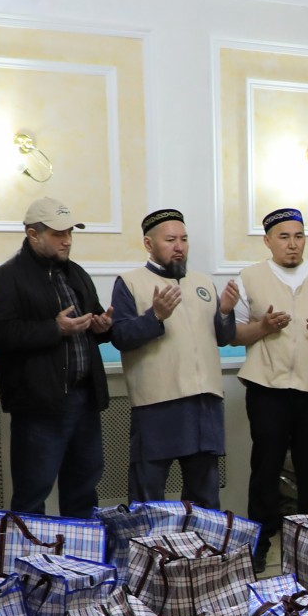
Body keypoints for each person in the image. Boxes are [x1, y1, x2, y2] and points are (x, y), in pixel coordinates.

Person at [236, 207, 308, 564]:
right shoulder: (249, 277)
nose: (292, 244)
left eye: (298, 236)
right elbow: (233, 333)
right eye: (284, 237)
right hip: (266, 387)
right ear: (268, 241)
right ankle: (261, 541)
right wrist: (264, 327)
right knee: (266, 466)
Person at [0, 196, 112, 518]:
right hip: (39, 404)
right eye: (58, 234)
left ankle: (80, 551)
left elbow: (92, 319)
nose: (67, 240)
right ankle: (30, 552)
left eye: (70, 232)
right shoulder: (4, 278)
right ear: (32, 234)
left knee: (84, 488)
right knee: (32, 493)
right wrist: (54, 329)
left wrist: (102, 326)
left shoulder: (76, 273)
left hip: (84, 398)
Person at [109, 207, 238, 508]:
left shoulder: (204, 283)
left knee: (204, 498)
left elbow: (223, 337)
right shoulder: (130, 282)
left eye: (184, 239)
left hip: (204, 402)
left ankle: (201, 540)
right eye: (170, 240)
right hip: (157, 405)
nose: (179, 247)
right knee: (148, 496)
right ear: (149, 244)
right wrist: (155, 316)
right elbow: (121, 336)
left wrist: (225, 311)